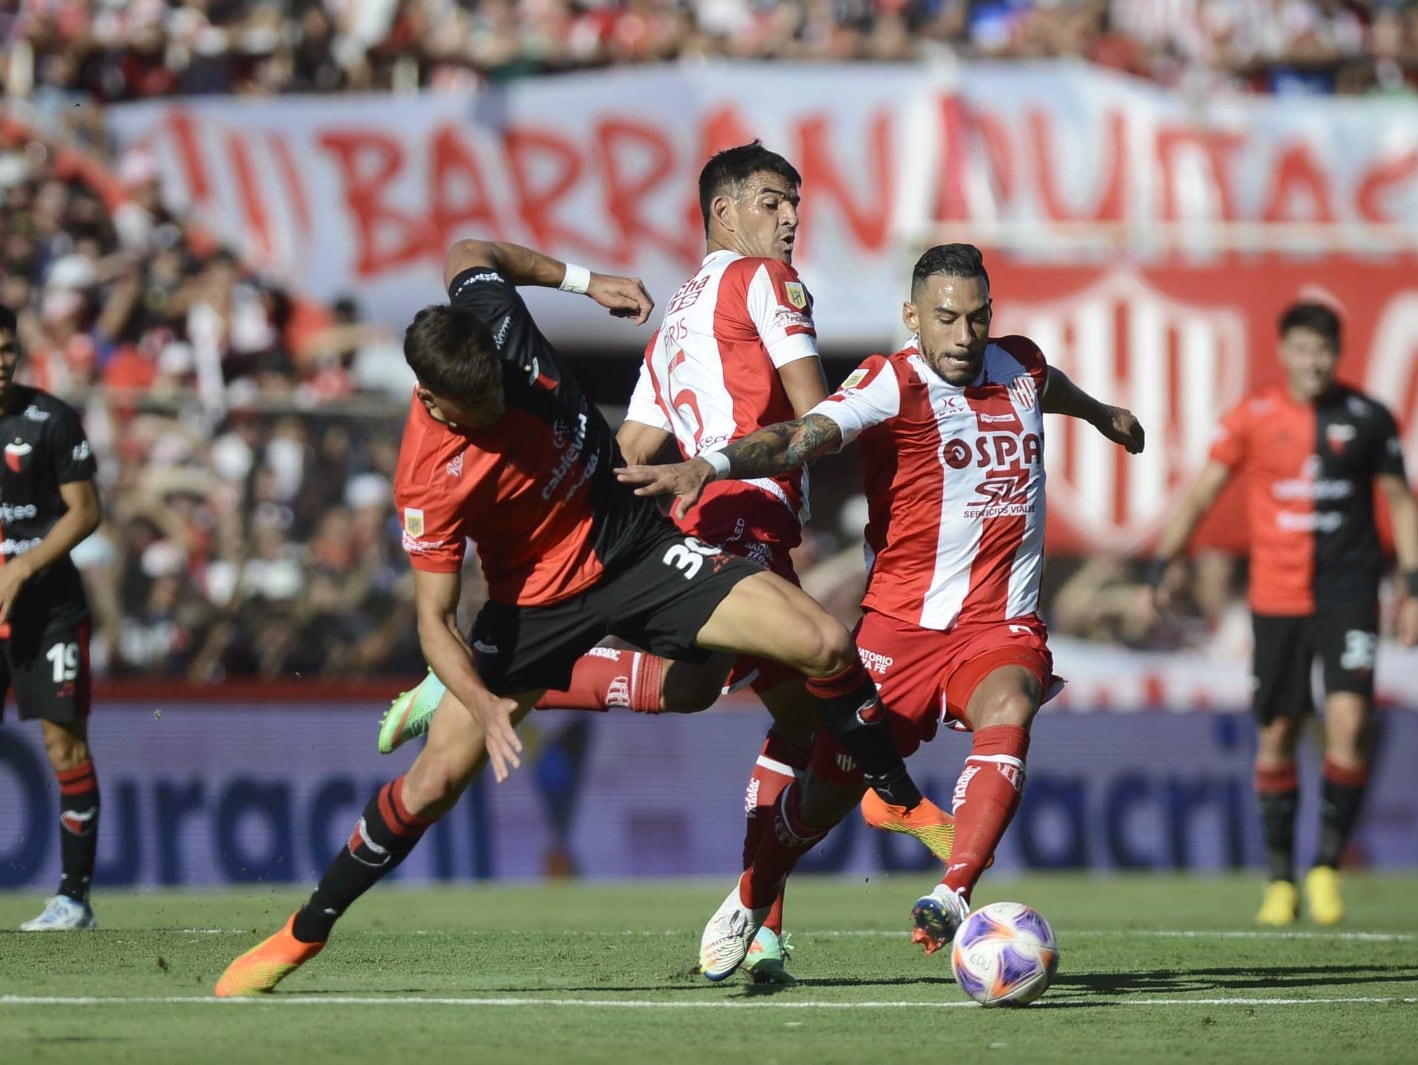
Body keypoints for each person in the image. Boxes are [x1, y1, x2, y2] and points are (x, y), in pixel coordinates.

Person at [214, 238, 929, 996]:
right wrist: (487, 704)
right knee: (431, 787)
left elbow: (466, 249)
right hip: (533, 608)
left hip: (635, 549)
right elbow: (433, 621)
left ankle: (891, 789)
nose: (499, 405)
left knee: (815, 642)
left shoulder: (495, 321)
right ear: (431, 401)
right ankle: (303, 932)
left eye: (497, 386)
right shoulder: (428, 479)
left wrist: (589, 283)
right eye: (480, 408)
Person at [371, 142, 953, 981]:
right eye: (770, 201)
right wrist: (900, 426)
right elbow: (814, 413)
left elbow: (626, 458)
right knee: (813, 705)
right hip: (741, 519)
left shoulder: (677, 321)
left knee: (710, 693)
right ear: (723, 213)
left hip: (701, 522)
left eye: (794, 203)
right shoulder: (769, 286)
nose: (790, 218)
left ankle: (758, 914)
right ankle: (768, 904)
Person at [618, 243, 1146, 976]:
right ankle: (751, 891)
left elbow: (1048, 382)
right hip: (898, 631)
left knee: (1013, 701)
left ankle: (953, 891)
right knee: (828, 791)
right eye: (948, 319)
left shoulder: (1017, 364)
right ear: (913, 319)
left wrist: (1102, 413)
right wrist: (712, 463)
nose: (965, 335)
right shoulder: (891, 382)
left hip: (1000, 624)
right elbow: (803, 435)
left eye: (978, 317)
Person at [1143, 298, 1418, 927]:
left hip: (1349, 594)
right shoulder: (1252, 416)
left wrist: (1417, 588)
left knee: (1350, 725)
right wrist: (1164, 561)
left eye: (1323, 350)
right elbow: (1203, 492)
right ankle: (1280, 880)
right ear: (1283, 352)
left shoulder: (1369, 418)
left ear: (1338, 353)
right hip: (1276, 598)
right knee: (1278, 734)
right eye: (1302, 348)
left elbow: (1402, 504)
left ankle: (1326, 867)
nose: (1313, 361)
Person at [0, 298, 104, 931]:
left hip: (48, 615)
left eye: (7, 349)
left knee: (64, 749)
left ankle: (74, 898)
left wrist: (20, 566)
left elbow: (86, 511)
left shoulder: (49, 419)